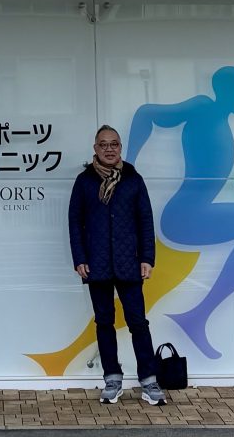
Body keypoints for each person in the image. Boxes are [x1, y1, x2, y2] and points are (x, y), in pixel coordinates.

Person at [125, 66, 234, 360]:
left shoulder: (230, 133)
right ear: (227, 92)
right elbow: (145, 112)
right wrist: (128, 167)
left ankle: (197, 317)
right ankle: (198, 317)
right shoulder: (203, 107)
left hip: (198, 212)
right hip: (183, 216)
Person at [68, 125, 165, 406]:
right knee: (104, 323)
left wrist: (147, 258)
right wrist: (80, 258)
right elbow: (75, 223)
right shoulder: (84, 181)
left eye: (114, 144)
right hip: (96, 264)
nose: (109, 149)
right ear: (95, 149)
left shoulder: (133, 179)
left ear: (120, 148)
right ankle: (112, 379)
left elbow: (145, 221)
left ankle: (149, 380)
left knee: (138, 322)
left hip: (129, 264)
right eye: (103, 144)